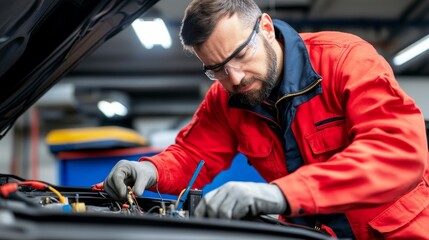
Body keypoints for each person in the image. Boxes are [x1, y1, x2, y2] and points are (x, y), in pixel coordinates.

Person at [103, 0, 429, 239]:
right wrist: (150, 169)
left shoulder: (344, 60)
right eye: (216, 69)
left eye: (240, 56)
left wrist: (279, 194)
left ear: (267, 29)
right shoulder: (225, 99)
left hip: (392, 231)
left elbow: (397, 152)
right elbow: (191, 155)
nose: (235, 78)